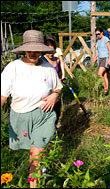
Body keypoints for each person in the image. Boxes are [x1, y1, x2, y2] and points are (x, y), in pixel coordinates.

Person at [1, 30, 63, 188]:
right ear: (24, 49)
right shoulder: (12, 68)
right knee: (30, 153)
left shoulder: (48, 68)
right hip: (20, 115)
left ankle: (34, 184)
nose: (34, 53)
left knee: (35, 156)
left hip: (44, 115)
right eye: (30, 49)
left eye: (37, 50)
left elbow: (58, 88)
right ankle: (40, 172)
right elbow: (2, 97)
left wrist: (54, 96)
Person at [40, 38, 63, 125]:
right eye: (48, 51)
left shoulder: (55, 60)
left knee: (57, 111)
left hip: (56, 90)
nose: (51, 53)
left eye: (52, 51)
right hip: (46, 91)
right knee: (48, 112)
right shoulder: (42, 61)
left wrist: (60, 79)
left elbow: (60, 71)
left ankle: (55, 128)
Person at [93, 27, 110, 96]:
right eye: (96, 34)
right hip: (100, 58)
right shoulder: (98, 40)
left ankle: (105, 88)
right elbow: (99, 50)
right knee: (104, 75)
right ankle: (106, 90)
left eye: (98, 34)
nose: (97, 35)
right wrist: (95, 57)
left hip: (105, 58)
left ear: (102, 33)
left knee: (99, 74)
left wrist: (109, 59)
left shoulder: (106, 39)